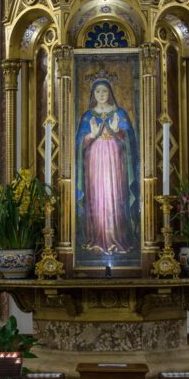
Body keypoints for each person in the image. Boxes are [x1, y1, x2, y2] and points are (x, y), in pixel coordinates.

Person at [74, 79, 138, 257]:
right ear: (93, 95)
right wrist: (91, 135)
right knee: (97, 198)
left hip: (115, 164)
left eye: (104, 91)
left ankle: (117, 238)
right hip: (94, 165)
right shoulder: (88, 116)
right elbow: (79, 144)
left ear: (110, 92)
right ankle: (97, 238)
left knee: (114, 197)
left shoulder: (120, 114)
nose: (101, 95)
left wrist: (118, 131)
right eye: (97, 92)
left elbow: (130, 142)